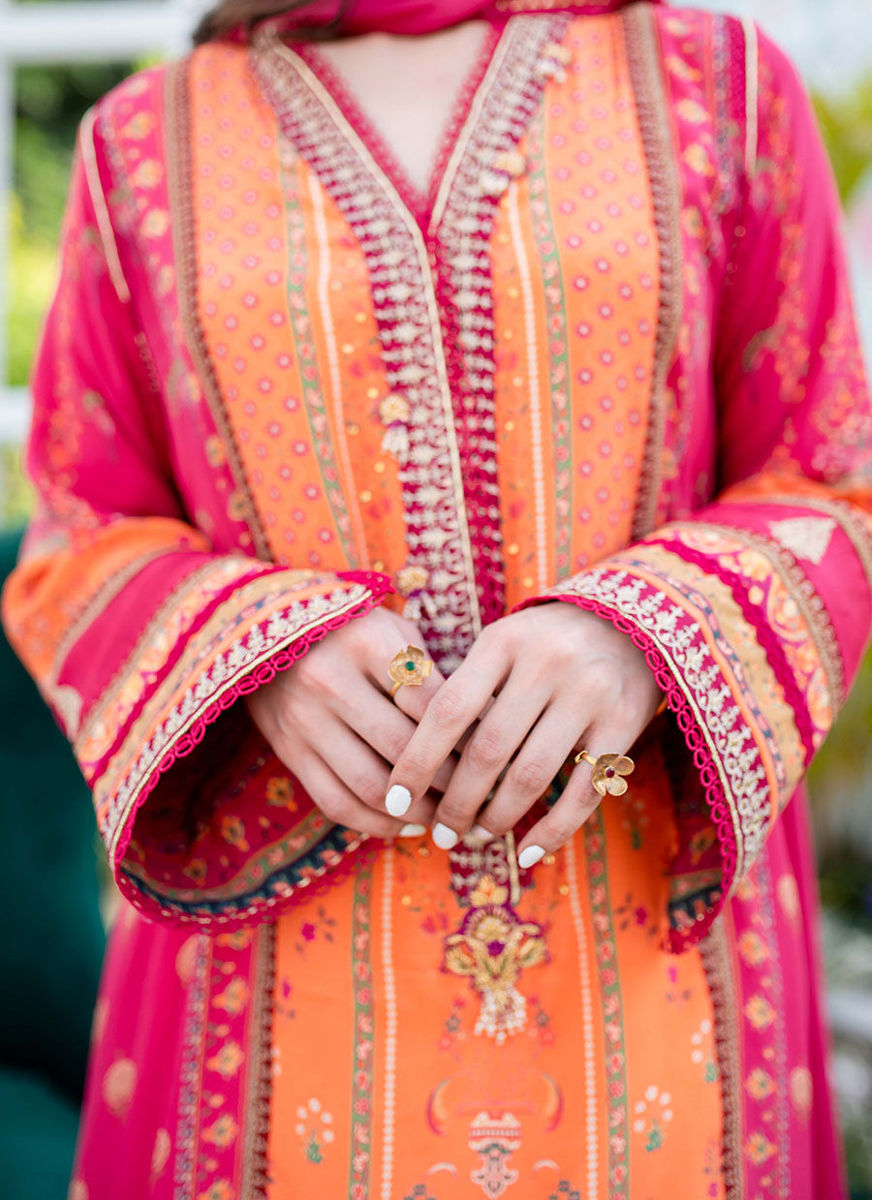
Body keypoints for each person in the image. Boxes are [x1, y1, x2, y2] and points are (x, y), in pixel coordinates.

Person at [2, 0, 871, 1195]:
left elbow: (829, 479)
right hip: (266, 1006)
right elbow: (76, 535)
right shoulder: (140, 147)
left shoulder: (717, 86)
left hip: (657, 994)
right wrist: (259, 651)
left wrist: (639, 636)